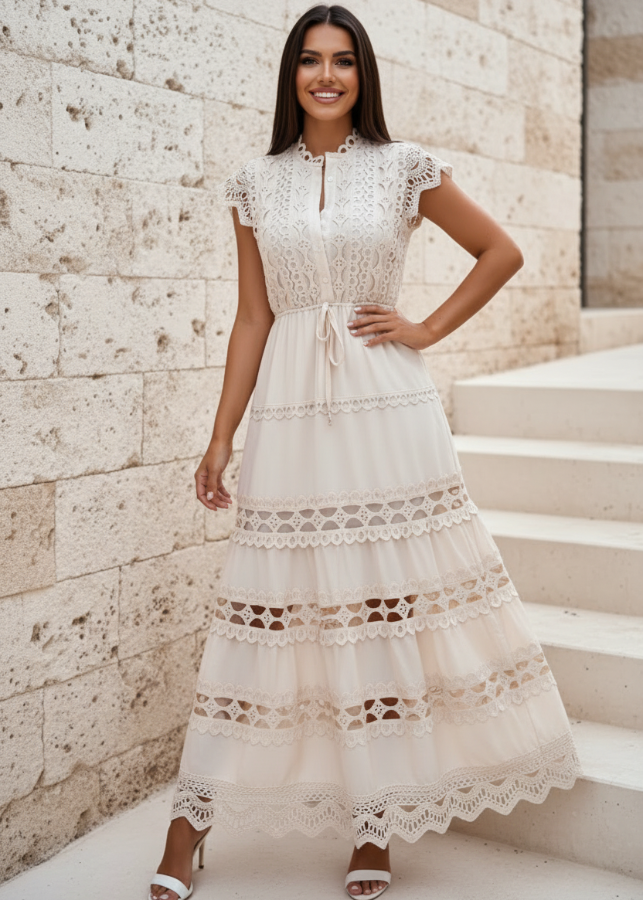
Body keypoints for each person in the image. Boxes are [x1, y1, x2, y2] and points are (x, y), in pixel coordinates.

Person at [149, 5, 581, 899]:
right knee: (264, 608)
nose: (326, 77)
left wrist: (425, 325)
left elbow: (499, 252)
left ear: (363, 74)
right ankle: (187, 829)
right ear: (290, 75)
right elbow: (254, 316)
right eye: (309, 61)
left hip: (387, 410)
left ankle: (373, 825)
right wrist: (221, 433)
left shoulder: (401, 168)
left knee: (381, 609)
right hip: (292, 415)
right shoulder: (253, 182)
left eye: (343, 62)